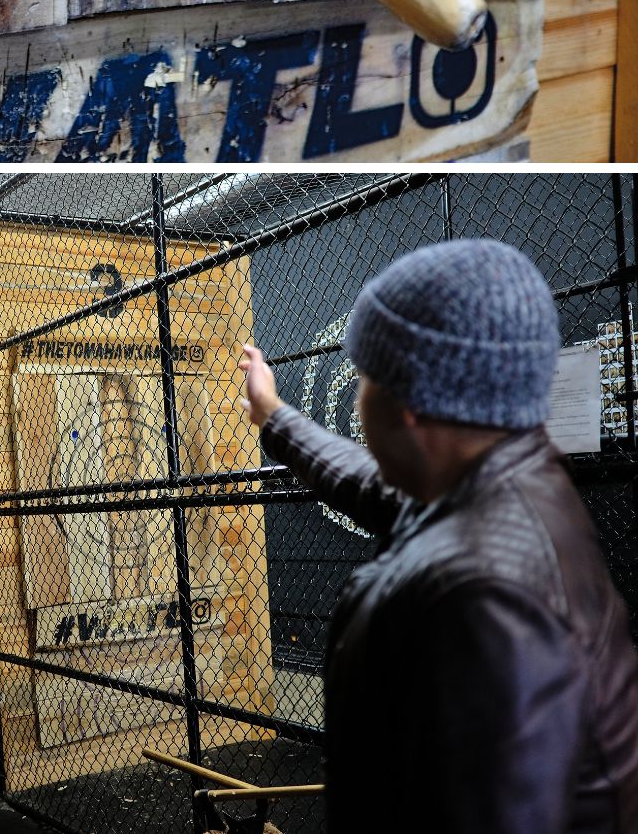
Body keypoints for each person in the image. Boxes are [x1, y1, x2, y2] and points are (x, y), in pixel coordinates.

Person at [237, 238, 638, 833]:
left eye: (366, 379)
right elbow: (371, 484)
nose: (360, 397)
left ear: (410, 406)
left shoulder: (477, 595)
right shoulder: (500, 488)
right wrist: (273, 414)